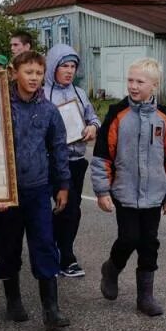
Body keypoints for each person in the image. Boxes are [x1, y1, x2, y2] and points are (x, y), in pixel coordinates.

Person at [91, 58, 166, 317]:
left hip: (154, 194)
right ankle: (112, 268)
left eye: (140, 82)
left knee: (149, 243)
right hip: (124, 191)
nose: (133, 86)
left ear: (154, 85)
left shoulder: (164, 116)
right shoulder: (117, 113)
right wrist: (102, 191)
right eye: (130, 80)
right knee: (129, 237)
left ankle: (145, 297)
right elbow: (101, 156)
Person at [0, 50, 71, 331]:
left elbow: (58, 148)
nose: (34, 78)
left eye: (38, 73)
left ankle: (51, 309)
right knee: (8, 247)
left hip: (38, 190)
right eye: (28, 72)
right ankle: (13, 299)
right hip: (7, 192)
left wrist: (63, 184)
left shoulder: (48, 111)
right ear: (14, 73)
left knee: (45, 245)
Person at [43, 44, 100, 278]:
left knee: (72, 210)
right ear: (52, 67)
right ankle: (64, 256)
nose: (69, 71)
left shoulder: (80, 93)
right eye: (64, 66)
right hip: (52, 161)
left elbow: (93, 117)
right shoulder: (43, 94)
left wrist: (93, 127)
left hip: (77, 159)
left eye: (73, 66)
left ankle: (61, 252)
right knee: (64, 209)